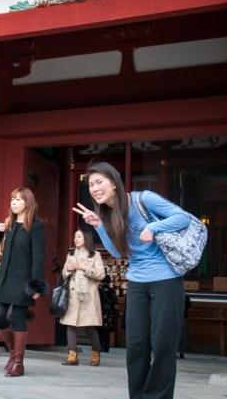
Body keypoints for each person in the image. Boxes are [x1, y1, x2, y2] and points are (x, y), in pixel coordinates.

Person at [73, 161, 191, 399]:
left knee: (163, 345)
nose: (95, 188)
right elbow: (118, 253)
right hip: (137, 282)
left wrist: (155, 227)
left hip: (166, 281)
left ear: (114, 183)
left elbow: (183, 218)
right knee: (136, 345)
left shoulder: (143, 199)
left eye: (99, 182)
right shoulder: (107, 213)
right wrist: (99, 226)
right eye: (91, 184)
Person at [0, 187, 47, 378]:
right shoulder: (8, 225)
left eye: (18, 199)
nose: (14, 202)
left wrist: (36, 284)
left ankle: (18, 363)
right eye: (12, 199)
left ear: (27, 203)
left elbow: (38, 257)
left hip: (23, 280)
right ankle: (12, 354)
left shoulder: (36, 227)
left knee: (18, 317)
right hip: (4, 278)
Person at [60, 229, 105, 366]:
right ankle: (72, 356)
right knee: (70, 326)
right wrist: (68, 269)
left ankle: (96, 354)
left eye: (79, 236)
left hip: (89, 296)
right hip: (73, 295)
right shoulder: (71, 254)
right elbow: (63, 274)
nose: (76, 239)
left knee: (90, 327)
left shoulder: (95, 255)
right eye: (75, 237)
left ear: (86, 238)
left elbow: (101, 274)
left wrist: (85, 268)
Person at [97, 274, 119, 353]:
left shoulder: (98, 290)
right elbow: (116, 302)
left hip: (99, 313)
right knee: (107, 331)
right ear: (109, 282)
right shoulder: (112, 291)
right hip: (109, 313)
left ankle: (98, 346)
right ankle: (105, 348)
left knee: (99, 330)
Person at [178, 294, 191, 359]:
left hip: (178, 316)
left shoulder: (185, 296)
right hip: (182, 316)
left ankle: (179, 352)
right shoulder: (185, 296)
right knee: (182, 335)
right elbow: (189, 305)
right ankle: (181, 353)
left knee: (179, 336)